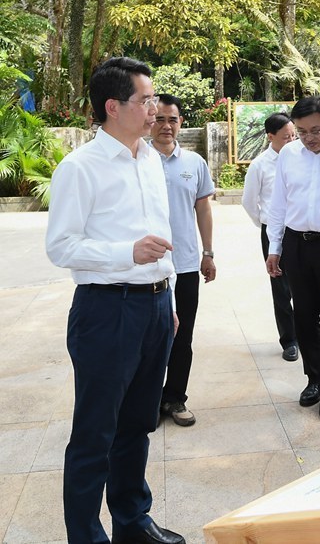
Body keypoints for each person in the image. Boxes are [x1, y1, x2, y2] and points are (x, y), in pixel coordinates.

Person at [45, 57, 185, 544]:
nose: (154, 110)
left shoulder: (149, 159)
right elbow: (61, 247)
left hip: (154, 306)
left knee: (137, 425)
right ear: (112, 106)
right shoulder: (80, 167)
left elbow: (160, 235)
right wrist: (126, 252)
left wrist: (166, 297)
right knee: (95, 433)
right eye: (145, 100)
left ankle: (132, 521)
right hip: (107, 310)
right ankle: (86, 535)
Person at [265, 96, 320, 422]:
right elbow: (278, 203)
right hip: (296, 243)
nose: (308, 138)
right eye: (301, 131)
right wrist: (275, 247)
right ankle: (313, 379)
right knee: (304, 316)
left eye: (315, 130)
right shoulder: (289, 154)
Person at [151, 93, 216, 428]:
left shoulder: (194, 163)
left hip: (186, 264)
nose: (166, 126)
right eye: (160, 119)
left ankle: (175, 397)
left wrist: (208, 252)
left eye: (172, 119)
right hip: (147, 266)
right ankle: (148, 401)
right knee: (150, 338)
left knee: (183, 336)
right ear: (150, 120)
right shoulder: (138, 159)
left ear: (180, 122)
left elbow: (203, 209)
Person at [242, 113, 298, 361]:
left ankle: (310, 334)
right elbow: (249, 201)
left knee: (305, 285)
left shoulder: (301, 157)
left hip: (299, 231)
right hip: (273, 232)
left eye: (294, 135)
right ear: (270, 137)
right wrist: (264, 224)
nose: (292, 140)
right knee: (281, 288)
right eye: (286, 137)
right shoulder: (260, 165)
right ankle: (289, 340)